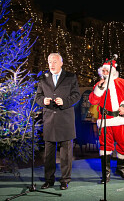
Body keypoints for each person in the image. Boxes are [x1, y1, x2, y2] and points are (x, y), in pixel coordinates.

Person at [36, 53, 80, 190]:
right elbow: (38, 96)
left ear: (61, 63)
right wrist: (43, 101)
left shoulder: (70, 77)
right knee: (49, 153)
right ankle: (49, 180)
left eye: (55, 61)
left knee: (66, 154)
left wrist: (65, 102)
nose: (52, 64)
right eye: (49, 62)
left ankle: (65, 180)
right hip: (49, 119)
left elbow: (76, 95)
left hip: (65, 119)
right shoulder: (43, 78)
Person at [89, 59, 124, 184]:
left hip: (121, 120)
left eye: (107, 71)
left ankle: (120, 169)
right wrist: (99, 89)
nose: (104, 73)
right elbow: (93, 101)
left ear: (113, 72)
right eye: (103, 71)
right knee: (105, 147)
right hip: (106, 121)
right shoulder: (99, 85)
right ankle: (106, 174)